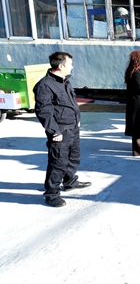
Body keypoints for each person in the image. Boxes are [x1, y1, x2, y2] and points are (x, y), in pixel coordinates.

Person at [34, 52, 91, 208]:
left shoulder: (64, 81)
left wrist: (77, 120)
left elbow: (69, 104)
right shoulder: (45, 86)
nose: (72, 67)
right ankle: (51, 194)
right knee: (58, 162)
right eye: (70, 64)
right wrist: (54, 131)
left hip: (72, 127)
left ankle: (70, 181)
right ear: (61, 66)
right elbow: (44, 111)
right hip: (60, 131)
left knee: (73, 157)